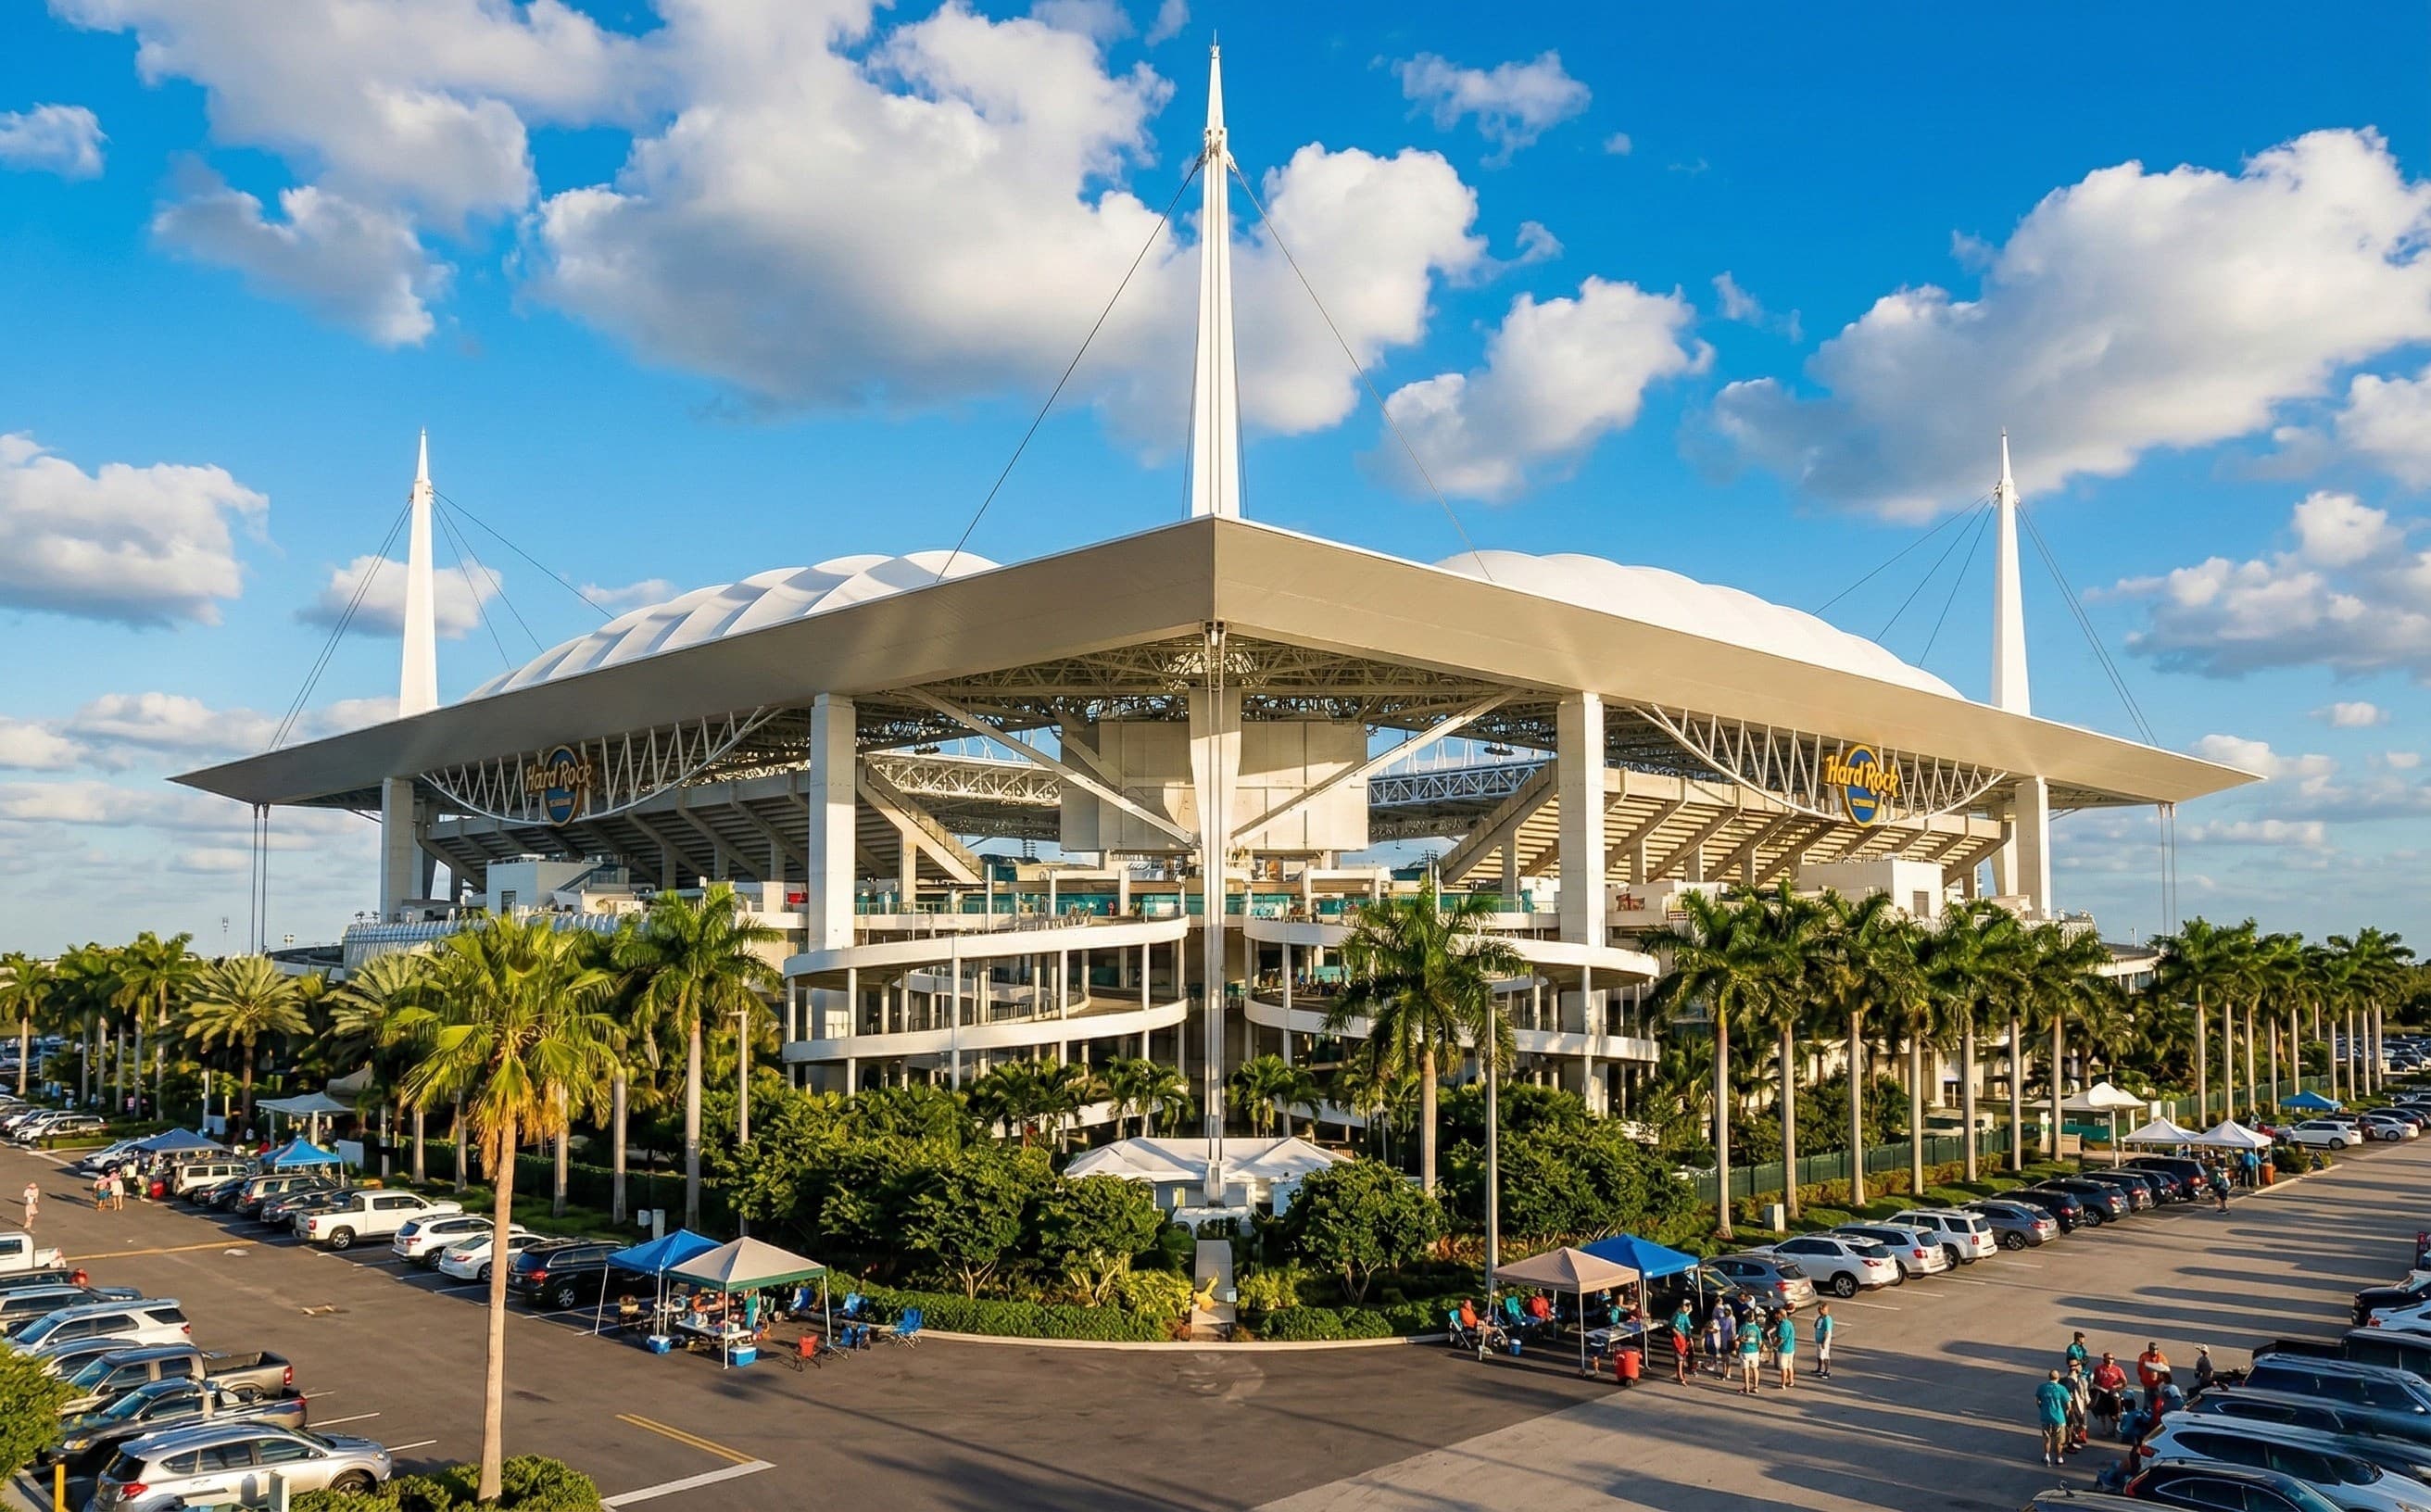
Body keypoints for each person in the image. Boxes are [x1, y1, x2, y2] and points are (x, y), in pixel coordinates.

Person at [2036, 1368, 2073, 1466]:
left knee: (2047, 1438)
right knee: (2059, 1440)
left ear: (2049, 1377)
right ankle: (2059, 1457)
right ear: (2058, 1378)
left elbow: (2037, 1401)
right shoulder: (2062, 1389)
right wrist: (2067, 1411)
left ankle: (2047, 1456)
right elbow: (2069, 1404)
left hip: (2045, 1417)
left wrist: (2042, 1408)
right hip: (2059, 1418)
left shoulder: (2042, 1387)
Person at [2090, 1351, 2128, 1434]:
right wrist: (2097, 1387)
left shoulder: (2117, 1369)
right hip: (2102, 1390)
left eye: (2112, 1359)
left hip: (2113, 1390)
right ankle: (2104, 1428)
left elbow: (2124, 1382)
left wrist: (2116, 1386)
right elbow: (2095, 1381)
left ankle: (2115, 1424)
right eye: (2108, 1359)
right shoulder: (2098, 1368)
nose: (2110, 1360)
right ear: (2104, 1360)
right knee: (2099, 1407)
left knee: (2116, 1402)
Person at [2136, 1342, 2171, 1408]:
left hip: (2157, 1384)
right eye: (2153, 1349)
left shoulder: (2161, 1358)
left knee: (2157, 1401)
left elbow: (2166, 1370)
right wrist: (2142, 1378)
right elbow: (2139, 1368)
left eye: (2156, 1349)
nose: (2155, 1351)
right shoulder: (2144, 1356)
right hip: (2147, 1383)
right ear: (2149, 1349)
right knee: (2147, 1400)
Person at [1736, 1315, 1763, 1395]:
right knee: (1755, 1369)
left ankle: (1747, 1387)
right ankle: (1755, 1387)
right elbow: (1760, 1342)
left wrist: (1737, 1349)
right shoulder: (1756, 1328)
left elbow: (1739, 1338)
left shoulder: (1743, 1327)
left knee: (1745, 1370)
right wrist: (1759, 1349)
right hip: (1754, 1351)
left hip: (1744, 1351)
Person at [1773, 1310, 1796, 1390]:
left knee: (1783, 1367)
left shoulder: (1783, 1325)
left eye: (1777, 1314)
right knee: (1790, 1366)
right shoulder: (1789, 1323)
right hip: (1791, 1348)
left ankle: (1783, 1384)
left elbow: (1781, 1338)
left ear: (1780, 1315)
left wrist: (1775, 1345)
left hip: (1784, 1350)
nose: (1775, 1316)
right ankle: (1791, 1381)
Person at [1813, 1304, 1834, 1381]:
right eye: (1819, 1309)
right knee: (1819, 1354)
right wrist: (1819, 1317)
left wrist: (1824, 1341)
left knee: (1825, 1355)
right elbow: (1815, 1325)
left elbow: (1827, 1332)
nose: (1820, 1311)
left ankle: (1827, 1371)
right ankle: (1819, 1368)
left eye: (1822, 1309)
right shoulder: (1821, 1318)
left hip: (1823, 1340)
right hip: (1818, 1339)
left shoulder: (1827, 1319)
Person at [1669, 1315, 1693, 1384]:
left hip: (1683, 1339)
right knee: (1680, 1358)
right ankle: (1680, 1375)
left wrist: (1690, 1338)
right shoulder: (1678, 1316)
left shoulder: (1685, 1316)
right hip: (1679, 1339)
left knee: (1681, 1358)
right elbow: (1672, 1326)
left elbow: (1688, 1329)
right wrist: (1677, 1333)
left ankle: (1680, 1374)